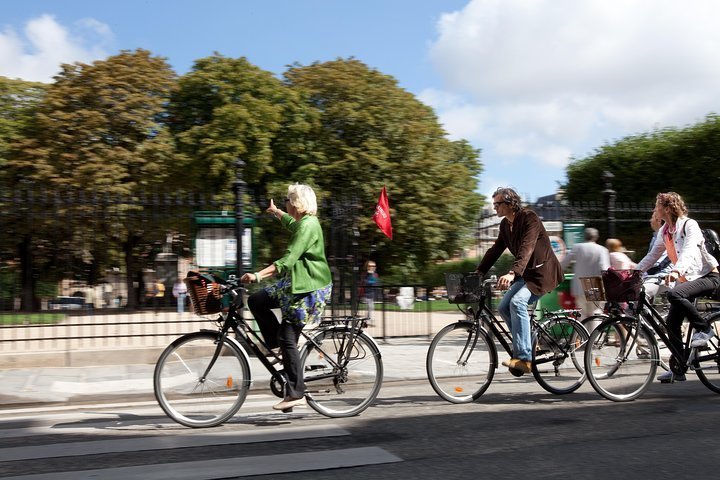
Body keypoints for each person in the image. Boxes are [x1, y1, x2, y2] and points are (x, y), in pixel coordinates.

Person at [240, 184, 333, 410]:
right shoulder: (303, 223)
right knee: (256, 301)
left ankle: (296, 393)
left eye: (288, 201)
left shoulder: (309, 225)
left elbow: (287, 261)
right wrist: (276, 213)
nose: (286, 204)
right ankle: (277, 348)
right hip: (296, 282)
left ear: (298, 203)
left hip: (310, 288)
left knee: (288, 336)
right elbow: (293, 224)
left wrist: (257, 275)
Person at [475, 187, 563, 374]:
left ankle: (523, 357)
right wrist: (479, 271)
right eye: (494, 204)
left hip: (542, 273)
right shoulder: (505, 225)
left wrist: (512, 273)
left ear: (510, 204)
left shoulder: (529, 218)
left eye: (498, 204)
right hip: (525, 275)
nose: (495, 208)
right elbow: (495, 250)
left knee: (517, 302)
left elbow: (527, 247)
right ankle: (529, 342)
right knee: (503, 307)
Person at [635, 192, 719, 383]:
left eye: (657, 206)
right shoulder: (665, 231)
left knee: (674, 294)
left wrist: (675, 271)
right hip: (686, 281)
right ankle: (678, 367)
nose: (654, 209)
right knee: (671, 325)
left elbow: (689, 252)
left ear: (666, 209)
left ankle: (704, 329)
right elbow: (653, 255)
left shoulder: (690, 225)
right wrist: (634, 272)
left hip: (707, 276)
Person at [560, 228, 610, 324]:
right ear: (596, 237)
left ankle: (584, 336)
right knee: (596, 313)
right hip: (595, 283)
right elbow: (604, 268)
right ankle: (595, 337)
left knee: (582, 313)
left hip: (580, 285)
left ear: (584, 236)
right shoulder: (602, 249)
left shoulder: (577, 247)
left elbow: (564, 264)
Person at [643, 211, 674, 303]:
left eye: (652, 217)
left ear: (658, 220)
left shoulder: (666, 236)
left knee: (641, 294)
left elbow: (660, 262)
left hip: (663, 275)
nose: (650, 220)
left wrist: (642, 272)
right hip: (654, 274)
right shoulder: (655, 236)